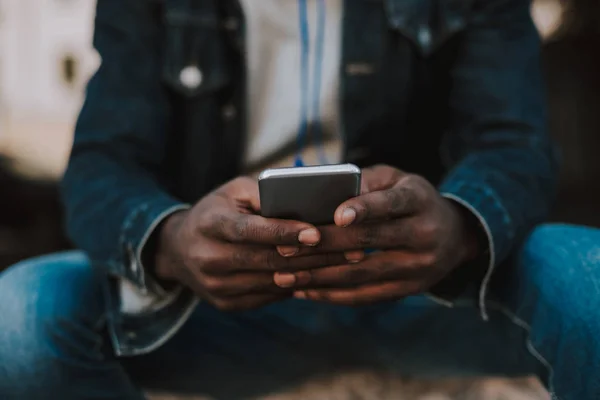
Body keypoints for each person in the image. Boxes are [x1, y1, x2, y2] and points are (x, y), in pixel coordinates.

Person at [0, 0, 598, 399]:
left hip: (433, 291)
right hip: (216, 311)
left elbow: (514, 145)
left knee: (588, 280)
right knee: (20, 317)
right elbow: (102, 166)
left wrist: (460, 225)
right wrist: (173, 241)